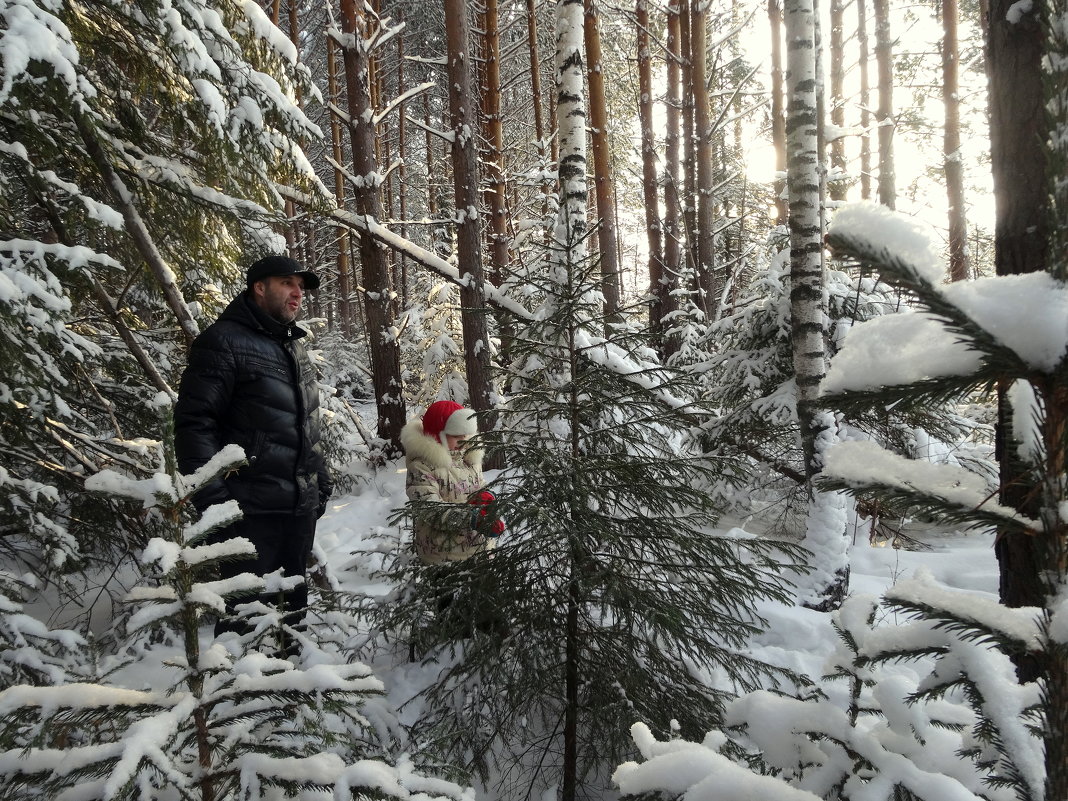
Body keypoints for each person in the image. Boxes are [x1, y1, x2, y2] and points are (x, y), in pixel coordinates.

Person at [174, 254, 332, 640]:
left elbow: (305, 423)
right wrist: (218, 505)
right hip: (248, 513)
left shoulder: (292, 346)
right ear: (259, 287)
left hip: (297, 508)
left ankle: (290, 690)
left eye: (300, 287)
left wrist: (320, 482)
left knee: (292, 615)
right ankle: (234, 698)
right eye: (286, 284)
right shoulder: (222, 342)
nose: (297, 293)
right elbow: (195, 425)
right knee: (244, 620)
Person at [400, 400, 503, 564]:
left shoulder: (469, 458)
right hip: (443, 555)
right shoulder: (422, 466)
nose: (463, 441)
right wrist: (471, 518)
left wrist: (487, 498)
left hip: (478, 548)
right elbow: (429, 508)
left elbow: (480, 484)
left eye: (466, 435)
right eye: (456, 436)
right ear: (437, 434)